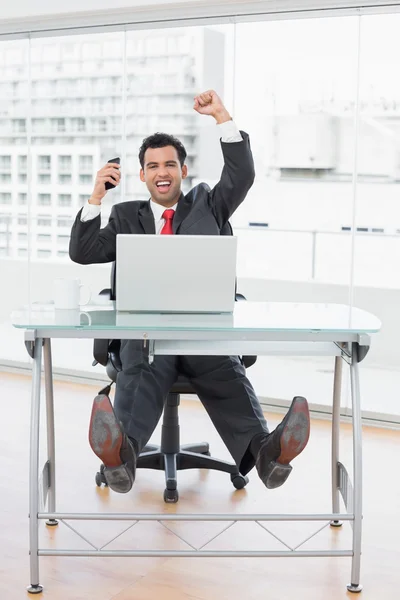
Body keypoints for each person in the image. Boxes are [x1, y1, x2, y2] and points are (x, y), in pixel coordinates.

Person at [69, 89, 310, 494]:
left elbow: (243, 176)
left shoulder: (209, 204)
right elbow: (83, 251)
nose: (161, 172)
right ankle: (121, 459)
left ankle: (269, 458)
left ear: (182, 169)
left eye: (169, 164)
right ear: (142, 175)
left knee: (226, 370)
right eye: (151, 166)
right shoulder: (127, 215)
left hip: (202, 332)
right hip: (146, 336)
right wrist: (97, 196)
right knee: (140, 369)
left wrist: (222, 117)